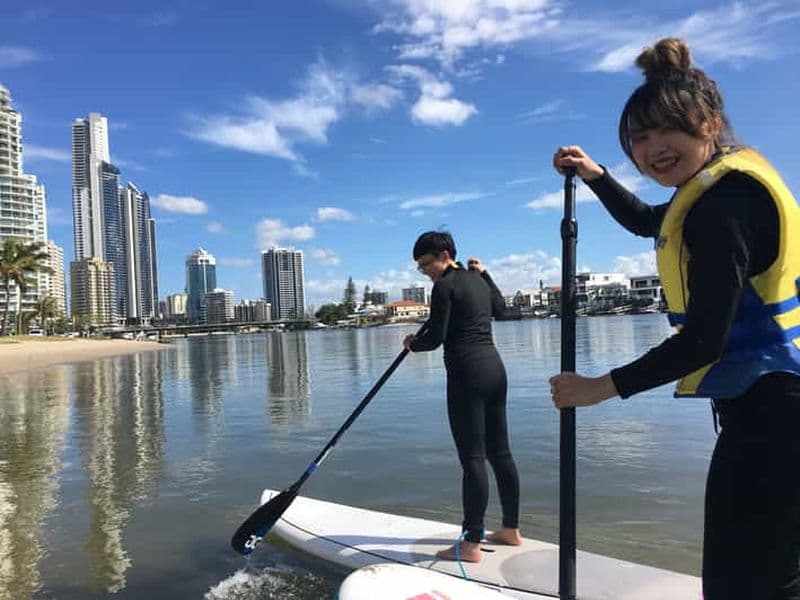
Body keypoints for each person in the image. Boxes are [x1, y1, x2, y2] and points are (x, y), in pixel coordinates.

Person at [550, 37, 800, 600]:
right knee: (775, 574)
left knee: (744, 586)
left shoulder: (722, 208)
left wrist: (598, 388)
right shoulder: (719, 190)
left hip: (776, 417)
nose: (653, 148)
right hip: (775, 407)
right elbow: (647, 222)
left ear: (709, 123)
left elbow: (705, 341)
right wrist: (594, 174)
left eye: (669, 130)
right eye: (640, 138)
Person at [403, 231, 521, 563]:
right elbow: (503, 310)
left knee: (473, 459)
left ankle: (470, 544)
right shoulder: (478, 280)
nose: (424, 272)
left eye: (425, 264)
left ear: (443, 255)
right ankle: (511, 529)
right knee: (501, 454)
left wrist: (413, 343)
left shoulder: (445, 286)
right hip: (496, 371)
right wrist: (487, 274)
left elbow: (437, 337)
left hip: (467, 376)